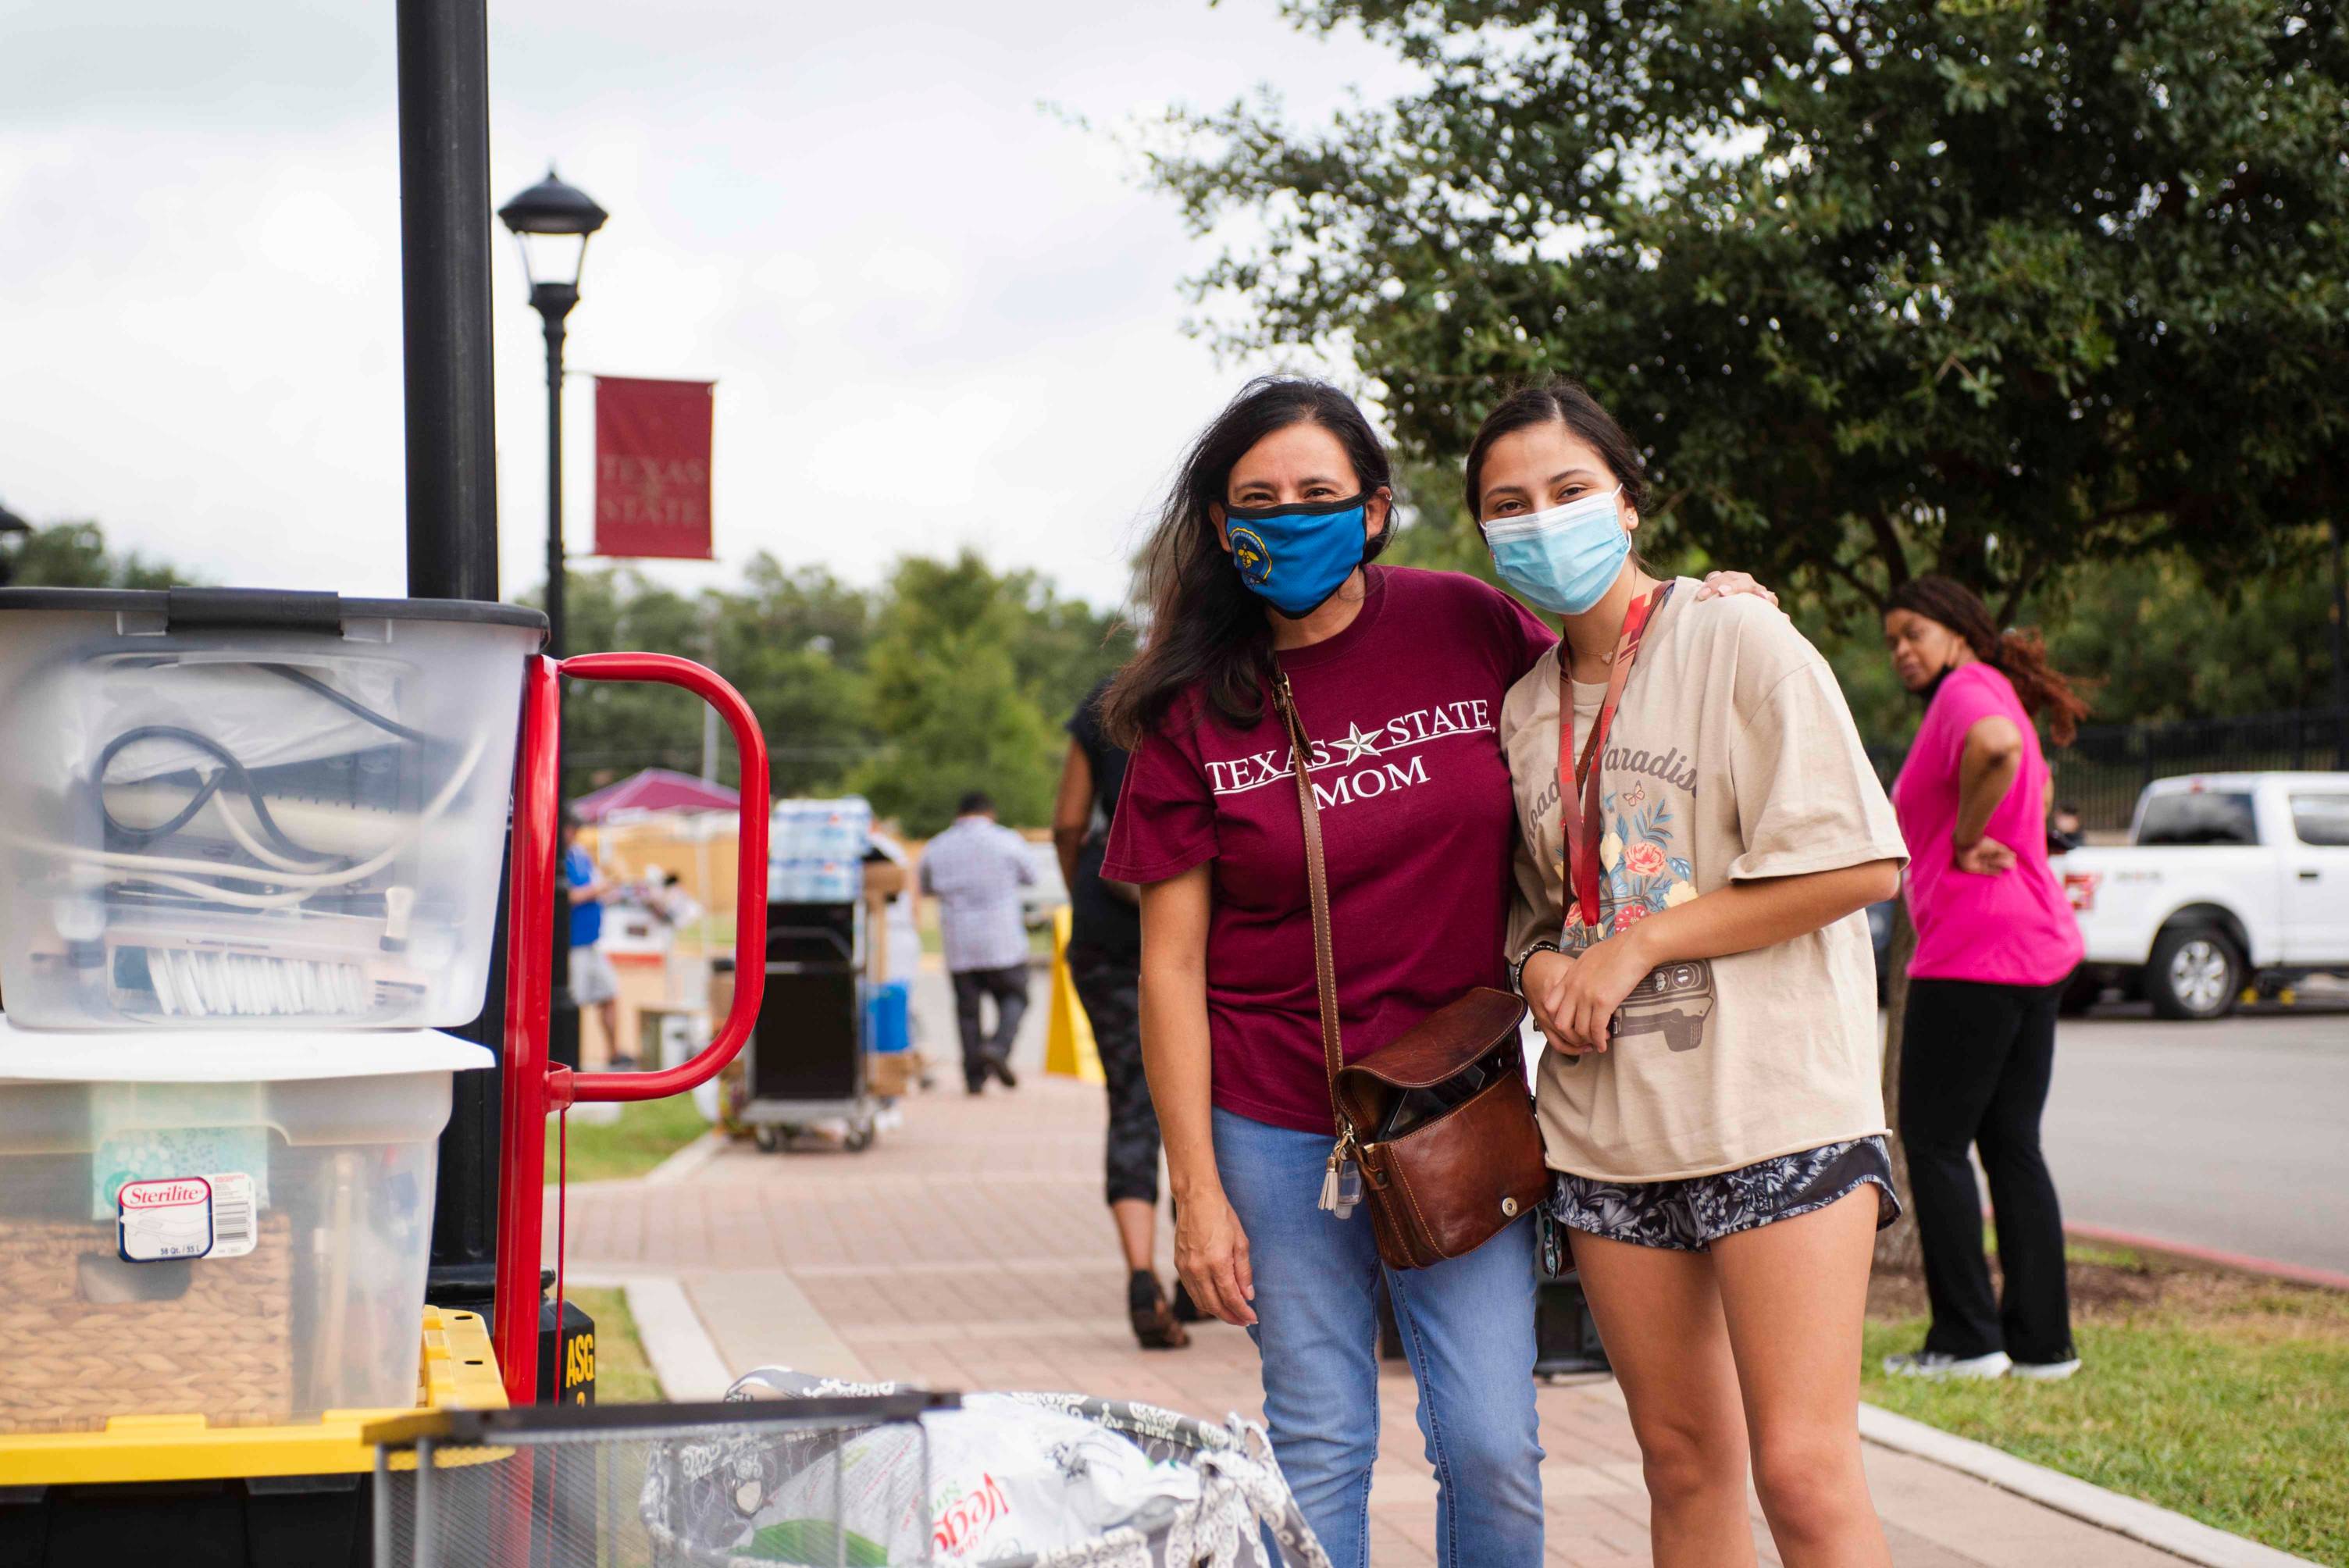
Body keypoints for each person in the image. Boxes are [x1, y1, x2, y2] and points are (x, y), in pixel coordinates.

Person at [1102, 376, 1775, 1568]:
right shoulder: (1190, 708)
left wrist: (1711, 608)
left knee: (1491, 1447)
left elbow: (1609, 671)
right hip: (1272, 1118)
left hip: (1451, 1103)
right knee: (1319, 1441)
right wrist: (1194, 1189)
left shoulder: (1464, 622)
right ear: (1219, 523)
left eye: (1319, 494)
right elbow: (1170, 970)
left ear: (1373, 509)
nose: (1289, 518)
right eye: (1259, 500)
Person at [1485, 381, 1908, 1568]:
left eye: (1568, 491)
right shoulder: (1523, 710)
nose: (1542, 520)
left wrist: (1639, 946)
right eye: (1508, 507)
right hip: (1611, 1136)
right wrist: (1546, 977)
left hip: (1775, 1114)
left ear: (1628, 502)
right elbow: (1536, 919)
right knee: (1680, 1470)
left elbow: (1861, 865)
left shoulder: (1736, 636)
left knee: (1803, 1471)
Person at [1880, 575, 2090, 1382]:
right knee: (2009, 1143)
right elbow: (2028, 775)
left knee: (1933, 1143)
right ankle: (2042, 1347)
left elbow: (1999, 749)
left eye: (1912, 632)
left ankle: (1966, 1339)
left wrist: (1967, 837)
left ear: (1957, 630)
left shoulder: (1967, 692)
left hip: (1971, 950)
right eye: (1891, 638)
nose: (1900, 649)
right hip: (2030, 945)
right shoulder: (1988, 685)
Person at [1055, 678, 1196, 1349]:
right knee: (1206, 1094)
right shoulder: (1217, 684)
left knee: (1132, 1100)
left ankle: (1143, 1273)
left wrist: (1082, 892)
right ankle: (1199, 1265)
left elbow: (1067, 823)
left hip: (1106, 934)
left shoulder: (1102, 701)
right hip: (1203, 930)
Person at [919, 791, 1035, 1094]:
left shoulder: (937, 846)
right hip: (1003, 940)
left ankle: (974, 1079)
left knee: (968, 1013)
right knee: (1016, 998)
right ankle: (998, 1046)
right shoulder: (1007, 841)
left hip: (959, 942)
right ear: (990, 813)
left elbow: (926, 886)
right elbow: (1031, 875)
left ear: (959, 813)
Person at [560, 810, 623, 1067]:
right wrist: (598, 890)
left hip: (591, 942)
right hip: (572, 945)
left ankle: (614, 1053)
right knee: (573, 1005)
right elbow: (567, 897)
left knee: (609, 995)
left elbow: (593, 889)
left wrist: (607, 893)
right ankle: (570, 1059)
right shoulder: (558, 859)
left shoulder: (580, 855)